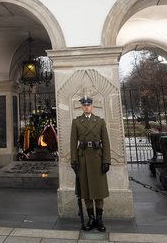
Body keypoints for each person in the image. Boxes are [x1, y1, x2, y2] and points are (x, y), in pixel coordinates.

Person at [70, 97, 110, 232]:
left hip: (97, 159)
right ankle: (91, 218)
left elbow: (106, 142)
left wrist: (106, 161)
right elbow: (72, 143)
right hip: (83, 161)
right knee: (86, 191)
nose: (86, 107)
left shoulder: (99, 121)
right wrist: (73, 161)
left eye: (89, 105)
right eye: (84, 105)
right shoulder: (76, 122)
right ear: (81, 107)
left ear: (92, 106)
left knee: (99, 191)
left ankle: (99, 218)